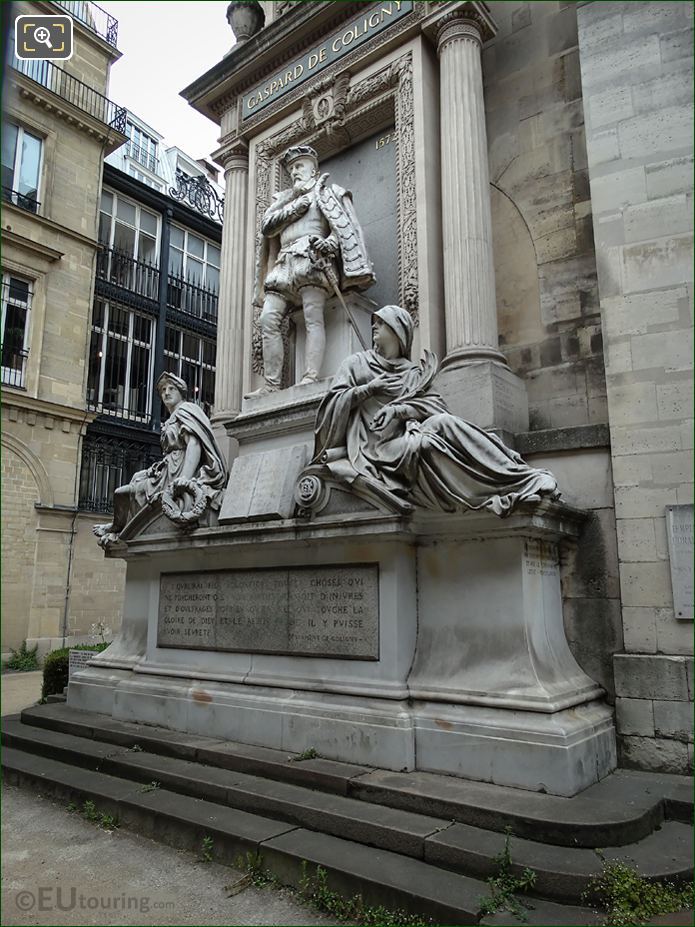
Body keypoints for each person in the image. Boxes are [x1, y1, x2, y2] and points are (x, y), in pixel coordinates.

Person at [312, 305, 559, 517]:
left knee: (444, 422)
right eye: (373, 323)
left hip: (403, 434)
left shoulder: (411, 373)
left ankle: (520, 476)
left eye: (381, 323)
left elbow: (435, 407)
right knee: (426, 445)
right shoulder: (356, 364)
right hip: (374, 449)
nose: (374, 327)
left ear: (398, 331)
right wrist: (368, 389)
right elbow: (330, 408)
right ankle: (491, 492)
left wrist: (399, 410)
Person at [247, 144, 375, 397]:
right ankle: (271, 385)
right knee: (268, 319)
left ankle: (310, 376)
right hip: (284, 262)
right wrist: (296, 207)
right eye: (291, 168)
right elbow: (268, 227)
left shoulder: (327, 192)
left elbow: (343, 227)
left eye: (299, 166)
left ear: (312, 169)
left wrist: (330, 244)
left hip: (311, 258)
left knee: (312, 317)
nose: (295, 171)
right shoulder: (283, 202)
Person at [93, 372, 227, 543]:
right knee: (125, 490)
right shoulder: (172, 418)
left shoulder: (187, 410)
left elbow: (194, 444)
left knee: (123, 493)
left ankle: (120, 528)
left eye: (171, 388)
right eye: (163, 390)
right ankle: (118, 526)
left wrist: (185, 479)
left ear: (181, 393)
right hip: (165, 470)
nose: (166, 393)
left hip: (177, 472)